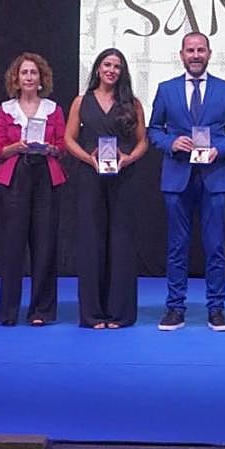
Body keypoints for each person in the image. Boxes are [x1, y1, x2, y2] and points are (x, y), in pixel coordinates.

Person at [147, 32, 225, 331]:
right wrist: (172, 142)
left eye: (201, 50)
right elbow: (153, 130)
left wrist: (219, 149)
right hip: (177, 177)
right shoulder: (166, 89)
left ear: (210, 54)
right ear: (182, 54)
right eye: (191, 50)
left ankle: (217, 309)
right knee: (177, 246)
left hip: (214, 177)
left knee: (216, 247)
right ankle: (175, 308)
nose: (196, 55)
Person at [65, 47, 148, 329]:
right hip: (90, 177)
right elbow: (69, 139)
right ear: (98, 69)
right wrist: (88, 158)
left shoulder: (132, 103)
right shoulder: (81, 101)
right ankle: (92, 314)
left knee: (122, 242)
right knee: (91, 241)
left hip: (124, 178)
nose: (112, 70)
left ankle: (120, 314)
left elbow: (142, 142)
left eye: (117, 66)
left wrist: (128, 159)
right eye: (107, 64)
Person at [0, 52, 66, 327]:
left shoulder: (53, 109)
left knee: (45, 245)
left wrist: (51, 148)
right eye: (24, 73)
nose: (29, 77)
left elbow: (62, 145)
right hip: (16, 176)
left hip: (45, 175)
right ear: (16, 78)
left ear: (41, 78)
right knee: (12, 247)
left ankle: (41, 310)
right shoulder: (5, 109)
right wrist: (16, 147)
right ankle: (8, 311)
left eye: (34, 73)